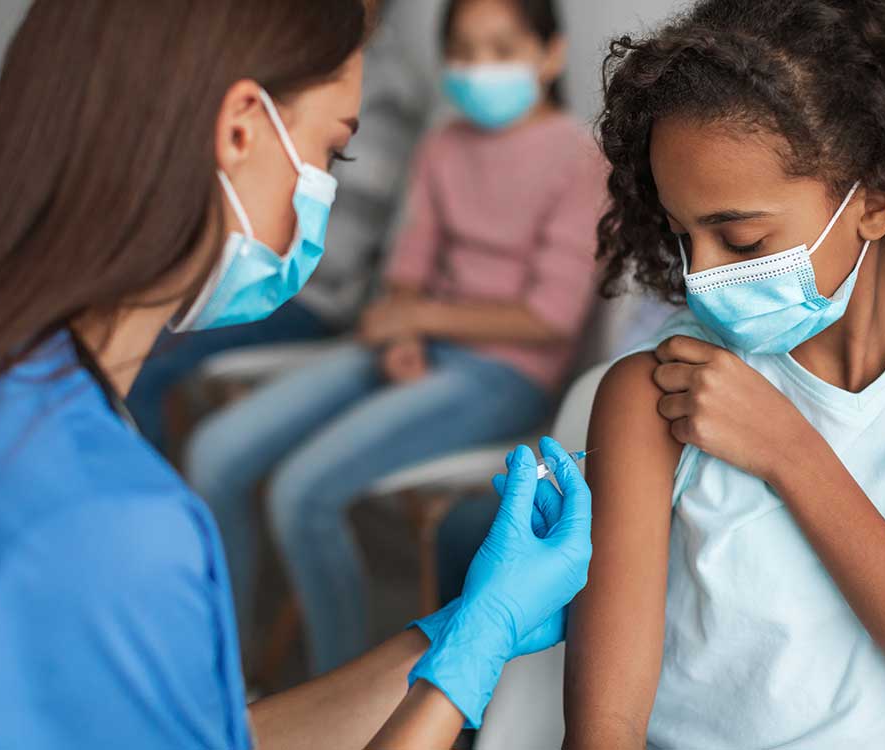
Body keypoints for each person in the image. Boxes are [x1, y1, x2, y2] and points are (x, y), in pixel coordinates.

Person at [0, 2, 592, 749]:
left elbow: (218, 738)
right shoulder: (115, 526)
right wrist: (471, 661)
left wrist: (456, 636)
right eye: (334, 153)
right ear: (241, 129)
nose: (322, 196)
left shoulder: (33, 400)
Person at [563, 1, 885, 749]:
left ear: (876, 201)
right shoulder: (657, 395)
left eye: (741, 237)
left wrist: (793, 456)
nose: (703, 279)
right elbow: (606, 730)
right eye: (683, 235)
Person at [185, 0, 604, 675]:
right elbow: (409, 269)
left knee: (302, 495)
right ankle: (222, 672)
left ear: (550, 54)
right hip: (409, 346)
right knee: (214, 452)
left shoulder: (579, 158)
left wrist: (419, 320)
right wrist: (402, 329)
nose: (478, 67)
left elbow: (548, 316)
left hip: (501, 375)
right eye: (463, 51)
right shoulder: (444, 146)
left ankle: (338, 689)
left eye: (501, 48)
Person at [123, 0, 442, 455]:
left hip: (310, 300)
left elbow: (333, 256)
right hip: (246, 263)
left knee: (149, 359)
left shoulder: (385, 87)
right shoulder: (276, 57)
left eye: (338, 152)